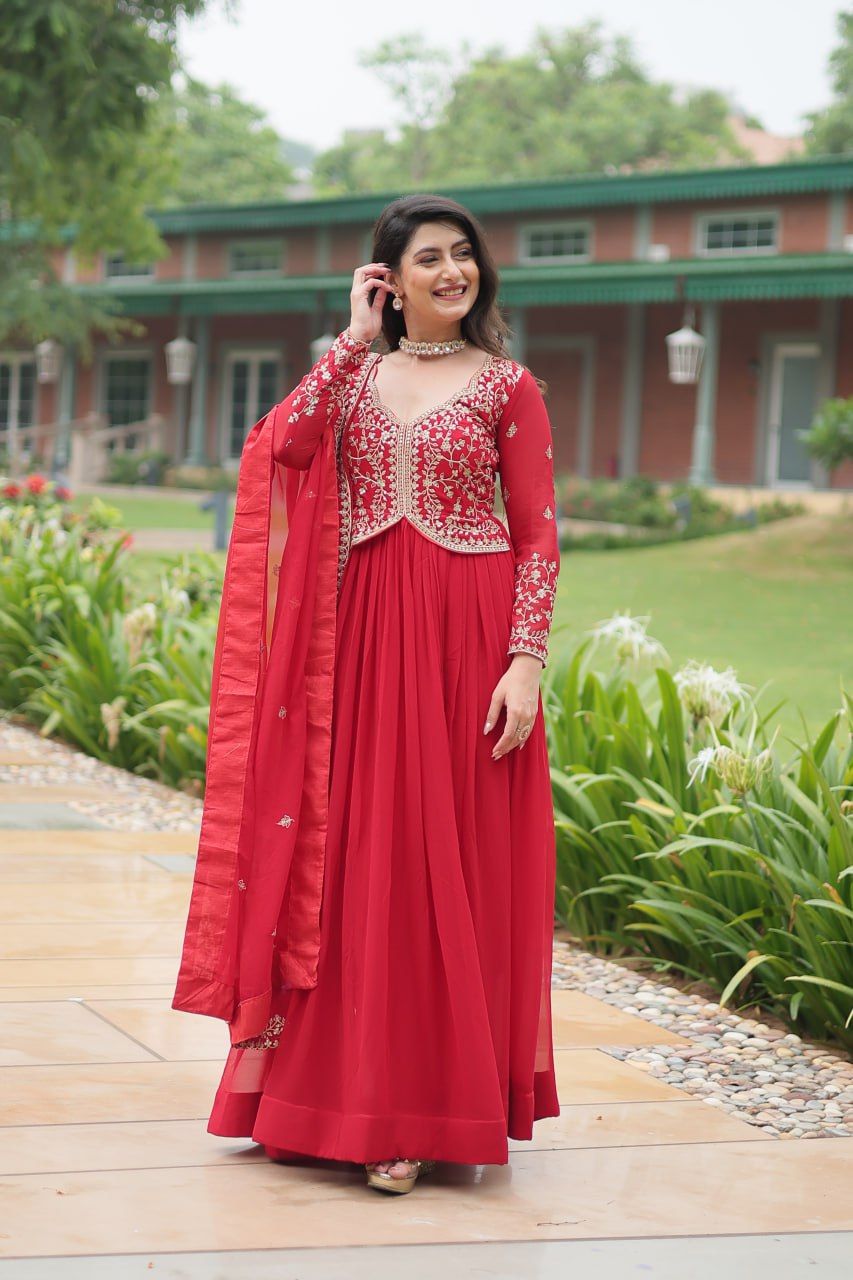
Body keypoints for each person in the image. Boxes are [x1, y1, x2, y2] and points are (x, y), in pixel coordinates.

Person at [173, 193, 561, 1195]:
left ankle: (420, 1116)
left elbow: (538, 535)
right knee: (347, 872)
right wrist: (350, 338)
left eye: (463, 256)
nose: (450, 272)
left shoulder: (509, 386)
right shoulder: (351, 376)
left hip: (465, 653)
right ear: (388, 277)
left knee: (445, 876)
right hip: (352, 652)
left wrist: (524, 660)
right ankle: (319, 1100)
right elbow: (279, 449)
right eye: (427, 257)